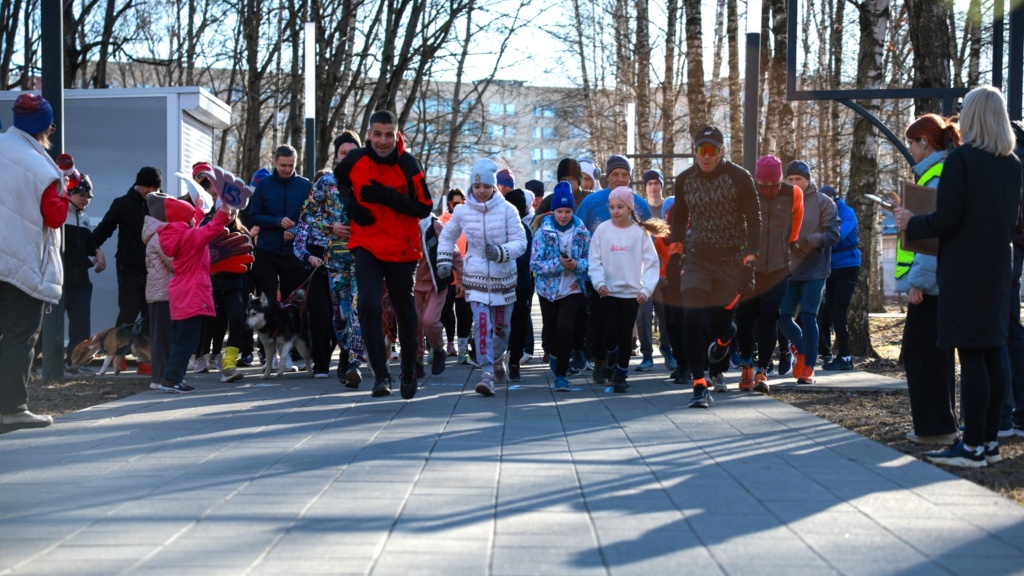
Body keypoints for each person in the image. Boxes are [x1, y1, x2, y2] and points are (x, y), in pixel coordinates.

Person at [896, 85, 1023, 468]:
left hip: (965, 272)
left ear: (973, 115)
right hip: (999, 269)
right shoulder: (1012, 163)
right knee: (991, 353)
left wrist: (911, 222)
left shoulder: (962, 160)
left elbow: (947, 218)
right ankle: (988, 441)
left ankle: (970, 446)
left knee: (971, 357)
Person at [334, 110, 434, 399]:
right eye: (377, 134)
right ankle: (381, 375)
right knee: (367, 305)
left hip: (402, 248)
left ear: (397, 134)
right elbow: (339, 180)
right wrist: (351, 206)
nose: (382, 140)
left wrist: (388, 198)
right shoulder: (355, 159)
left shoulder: (408, 164)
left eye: (388, 134)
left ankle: (408, 370)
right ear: (368, 134)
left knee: (404, 311)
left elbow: (424, 207)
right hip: (366, 243)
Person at [671, 125, 761, 408]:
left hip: (731, 259)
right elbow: (679, 219)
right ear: (695, 152)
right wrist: (675, 255)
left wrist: (750, 263)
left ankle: (725, 339)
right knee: (692, 315)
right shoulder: (684, 180)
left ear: (722, 151)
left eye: (712, 150)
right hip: (697, 256)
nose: (706, 156)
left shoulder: (740, 178)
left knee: (722, 324)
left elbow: (755, 221)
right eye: (701, 150)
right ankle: (699, 385)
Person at [0, 94, 65, 430]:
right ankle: (11, 408)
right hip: (18, 263)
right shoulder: (42, 168)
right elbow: (55, 216)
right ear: (46, 127)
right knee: (20, 334)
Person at [894, 113, 960, 446]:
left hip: (930, 284)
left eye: (911, 141)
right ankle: (941, 425)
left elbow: (931, 236)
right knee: (934, 354)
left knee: (922, 354)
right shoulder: (940, 172)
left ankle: (935, 428)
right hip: (939, 281)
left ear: (925, 142)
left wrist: (918, 282)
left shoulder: (935, 176)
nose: (910, 148)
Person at [436, 158, 527, 396]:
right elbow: (446, 237)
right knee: (482, 326)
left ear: (493, 186)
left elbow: (521, 242)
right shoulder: (463, 212)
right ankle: (486, 373)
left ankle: (498, 358)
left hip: (503, 280)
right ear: (471, 187)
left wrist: (500, 253)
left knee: (500, 329)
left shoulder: (508, 210)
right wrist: (445, 261)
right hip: (475, 279)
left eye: (486, 186)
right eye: (477, 187)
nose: (482, 191)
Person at [575, 155, 653, 382]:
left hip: (627, 278)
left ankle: (618, 366)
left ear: (630, 178)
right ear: (607, 177)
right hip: (596, 275)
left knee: (622, 327)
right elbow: (579, 233)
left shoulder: (639, 204)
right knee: (597, 325)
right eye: (615, 175)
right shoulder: (591, 202)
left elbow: (649, 242)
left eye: (624, 175)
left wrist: (646, 278)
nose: (620, 179)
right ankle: (600, 361)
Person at [734, 155, 803, 394]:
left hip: (777, 267)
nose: (767, 190)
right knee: (744, 318)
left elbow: (795, 224)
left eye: (772, 186)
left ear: (780, 180)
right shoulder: (747, 192)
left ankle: (762, 370)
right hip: (748, 267)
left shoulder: (793, 194)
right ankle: (746, 364)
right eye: (763, 186)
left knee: (768, 317)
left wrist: (789, 244)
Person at [153, 192, 234, 393]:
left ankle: (174, 377)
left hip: (182, 291)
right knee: (187, 341)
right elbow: (209, 230)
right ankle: (171, 379)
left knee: (183, 339)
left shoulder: (178, 233)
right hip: (192, 292)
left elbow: (192, 223)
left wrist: (198, 208)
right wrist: (223, 212)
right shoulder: (189, 237)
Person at [588, 187, 666, 393]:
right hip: (608, 292)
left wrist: (646, 289)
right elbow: (594, 260)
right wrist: (599, 283)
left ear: (629, 208)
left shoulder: (639, 233)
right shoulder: (603, 230)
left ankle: (621, 375)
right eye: (611, 207)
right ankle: (611, 356)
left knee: (625, 336)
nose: (615, 211)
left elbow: (651, 264)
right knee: (610, 332)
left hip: (632, 294)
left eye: (620, 207)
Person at [89, 165, 162, 372]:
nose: (151, 191)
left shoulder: (162, 205)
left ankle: (145, 361)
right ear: (138, 185)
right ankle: (117, 356)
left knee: (150, 313)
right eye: (147, 186)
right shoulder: (122, 204)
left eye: (155, 187)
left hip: (154, 268)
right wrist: (94, 247)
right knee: (128, 312)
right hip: (129, 267)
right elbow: (105, 228)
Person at [777, 160, 840, 385]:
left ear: (808, 180)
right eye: (790, 179)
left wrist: (809, 241)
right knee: (781, 314)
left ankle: (809, 368)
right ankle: (804, 351)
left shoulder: (824, 202)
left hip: (815, 270)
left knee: (808, 315)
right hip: (788, 269)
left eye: (799, 179)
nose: (794, 183)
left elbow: (833, 234)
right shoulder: (780, 202)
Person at [531, 182, 591, 391]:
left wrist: (576, 265)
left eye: (567, 211)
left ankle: (562, 375)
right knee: (550, 332)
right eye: (560, 211)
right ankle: (554, 354)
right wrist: (558, 264)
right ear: (553, 211)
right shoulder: (542, 232)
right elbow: (535, 264)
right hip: (548, 291)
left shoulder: (582, 231)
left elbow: (590, 260)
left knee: (565, 328)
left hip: (573, 288)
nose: (564, 215)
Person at [249, 144, 312, 308]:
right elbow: (254, 216)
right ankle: (268, 333)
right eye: (283, 165)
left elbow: (312, 218)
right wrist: (277, 222)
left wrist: (294, 230)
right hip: (267, 251)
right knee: (268, 303)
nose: (287, 169)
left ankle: (289, 334)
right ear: (275, 162)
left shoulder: (305, 186)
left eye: (291, 165)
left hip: (293, 253)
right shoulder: (264, 185)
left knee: (291, 303)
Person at [62, 174, 106, 374]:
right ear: (69, 193)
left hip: (80, 278)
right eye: (82, 195)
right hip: (60, 278)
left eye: (89, 196)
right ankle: (35, 363)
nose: (86, 199)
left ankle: (74, 363)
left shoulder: (84, 217)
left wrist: (97, 251)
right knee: (48, 325)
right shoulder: (59, 214)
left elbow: (87, 245)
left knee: (80, 323)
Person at [817, 185, 861, 371]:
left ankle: (845, 356)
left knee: (839, 310)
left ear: (834, 199)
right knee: (826, 310)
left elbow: (838, 235)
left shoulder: (847, 212)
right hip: (830, 266)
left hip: (848, 265)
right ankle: (828, 353)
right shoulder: (822, 213)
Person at [414, 212, 463, 377]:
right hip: (412, 285)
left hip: (437, 283)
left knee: (429, 320)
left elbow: (453, 251)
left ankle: (438, 349)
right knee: (415, 326)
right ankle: (417, 362)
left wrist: (461, 279)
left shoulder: (433, 224)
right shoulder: (400, 223)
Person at [635, 168, 671, 372]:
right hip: (644, 271)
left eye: (657, 183)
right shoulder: (641, 209)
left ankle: (667, 350)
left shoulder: (669, 207)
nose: (654, 187)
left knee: (665, 313)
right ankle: (647, 354)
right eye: (650, 184)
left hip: (665, 271)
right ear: (645, 187)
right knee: (643, 313)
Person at [142, 193, 176, 390]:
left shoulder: (157, 232)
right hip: (162, 292)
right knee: (163, 337)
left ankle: (161, 375)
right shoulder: (160, 235)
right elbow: (173, 260)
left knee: (162, 335)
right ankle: (160, 377)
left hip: (159, 291)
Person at [504, 188, 536, 381]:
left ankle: (514, 361)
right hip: (500, 284)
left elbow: (526, 257)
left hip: (522, 284)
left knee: (519, 325)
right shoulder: (498, 226)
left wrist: (504, 255)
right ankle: (499, 357)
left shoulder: (525, 230)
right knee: (500, 325)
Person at [439, 188, 473, 364]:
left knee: (464, 313)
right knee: (446, 312)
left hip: (466, 275)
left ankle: (462, 348)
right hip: (447, 276)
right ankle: (449, 343)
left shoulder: (469, 222)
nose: (456, 206)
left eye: (460, 203)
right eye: (453, 203)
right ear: (449, 204)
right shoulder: (441, 221)